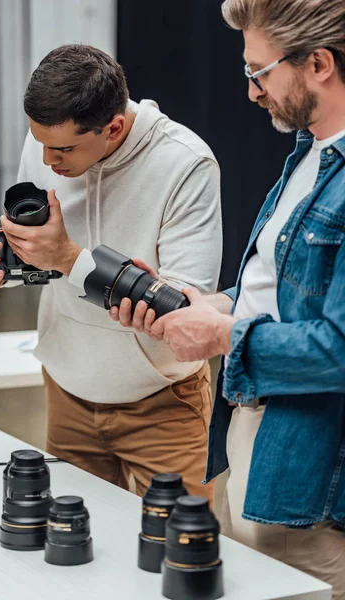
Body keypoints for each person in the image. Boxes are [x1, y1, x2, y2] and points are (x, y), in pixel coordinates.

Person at [138, 0, 345, 596]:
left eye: (260, 72)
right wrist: (209, 304)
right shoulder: (310, 155)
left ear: (319, 64)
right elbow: (287, 294)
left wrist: (222, 336)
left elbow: (337, 346)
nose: (252, 92)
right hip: (255, 447)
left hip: (310, 475)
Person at [0, 44, 222, 501]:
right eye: (38, 142)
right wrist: (0, 271)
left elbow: (185, 313)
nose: (46, 161)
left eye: (61, 149)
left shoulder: (185, 164)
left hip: (161, 404)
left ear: (114, 126)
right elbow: (42, 265)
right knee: (73, 557)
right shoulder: (49, 140)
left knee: (180, 558)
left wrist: (66, 256)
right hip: (68, 395)